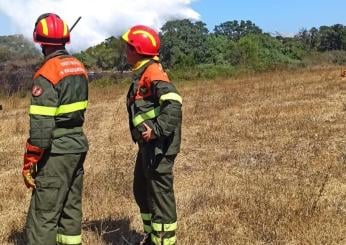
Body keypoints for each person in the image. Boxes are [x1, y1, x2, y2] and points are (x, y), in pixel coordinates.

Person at [22, 13, 89, 245]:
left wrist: (30, 160)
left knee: (44, 215)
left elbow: (41, 130)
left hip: (57, 152)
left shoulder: (46, 74)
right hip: (77, 146)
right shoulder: (78, 67)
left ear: (40, 41)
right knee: (70, 208)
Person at [122, 25, 183, 245]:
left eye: (128, 47)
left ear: (137, 50)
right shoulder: (144, 73)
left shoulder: (153, 74)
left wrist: (156, 130)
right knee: (141, 190)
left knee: (160, 197)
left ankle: (165, 241)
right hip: (148, 147)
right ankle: (152, 237)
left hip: (159, 146)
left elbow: (174, 103)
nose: (125, 51)